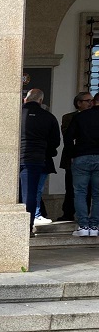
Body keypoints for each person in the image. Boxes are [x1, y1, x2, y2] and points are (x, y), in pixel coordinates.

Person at [19, 89, 60, 236]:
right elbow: (55, 141)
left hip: (14, 158)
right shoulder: (48, 117)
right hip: (35, 160)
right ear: (41, 101)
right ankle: (26, 228)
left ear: (25, 99)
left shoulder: (16, 114)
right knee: (29, 194)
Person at [63, 94, 99, 236]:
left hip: (81, 157)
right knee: (97, 194)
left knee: (79, 192)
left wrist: (72, 154)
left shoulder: (80, 117)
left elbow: (68, 138)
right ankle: (95, 226)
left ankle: (83, 226)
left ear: (94, 102)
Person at [58, 92, 94, 221]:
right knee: (71, 187)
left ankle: (86, 214)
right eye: (87, 101)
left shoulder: (95, 116)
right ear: (79, 103)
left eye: (92, 100)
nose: (91, 103)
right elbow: (68, 137)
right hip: (73, 157)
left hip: (90, 156)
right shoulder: (69, 117)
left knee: (89, 188)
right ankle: (68, 213)